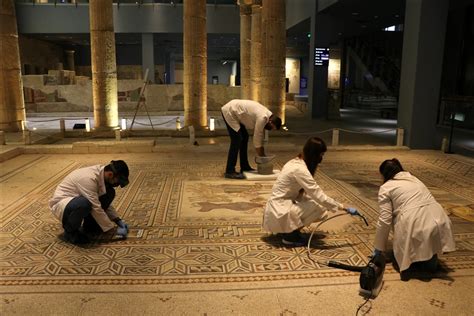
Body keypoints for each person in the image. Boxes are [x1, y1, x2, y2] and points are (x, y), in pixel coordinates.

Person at [262, 137, 358, 246]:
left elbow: (306, 194)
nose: (322, 158)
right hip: (279, 209)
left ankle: (287, 229)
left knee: (315, 203)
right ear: (314, 154)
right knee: (319, 206)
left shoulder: (295, 161)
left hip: (278, 207)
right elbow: (319, 196)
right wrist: (343, 207)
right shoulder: (300, 170)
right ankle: (290, 236)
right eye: (321, 155)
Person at [373, 158, 455, 279]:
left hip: (414, 222)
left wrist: (379, 248)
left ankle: (417, 261)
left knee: (404, 254)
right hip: (440, 219)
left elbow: (385, 219)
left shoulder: (386, 187)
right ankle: (428, 260)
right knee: (428, 252)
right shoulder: (415, 179)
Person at [49, 160, 131, 244]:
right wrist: (111, 230)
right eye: (117, 181)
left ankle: (90, 226)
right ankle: (70, 232)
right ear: (110, 174)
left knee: (109, 192)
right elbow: (96, 206)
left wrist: (118, 220)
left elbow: (99, 202)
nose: (117, 184)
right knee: (84, 204)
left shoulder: (101, 175)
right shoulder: (89, 178)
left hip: (78, 200)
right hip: (63, 203)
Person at [221, 99, 282, 179]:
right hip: (230, 111)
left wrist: (262, 152)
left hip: (236, 113)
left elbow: (260, 136)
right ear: (270, 122)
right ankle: (229, 171)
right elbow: (257, 137)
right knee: (237, 140)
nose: (270, 129)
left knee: (244, 137)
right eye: (272, 128)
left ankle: (244, 166)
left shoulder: (267, 115)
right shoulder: (263, 117)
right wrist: (262, 157)